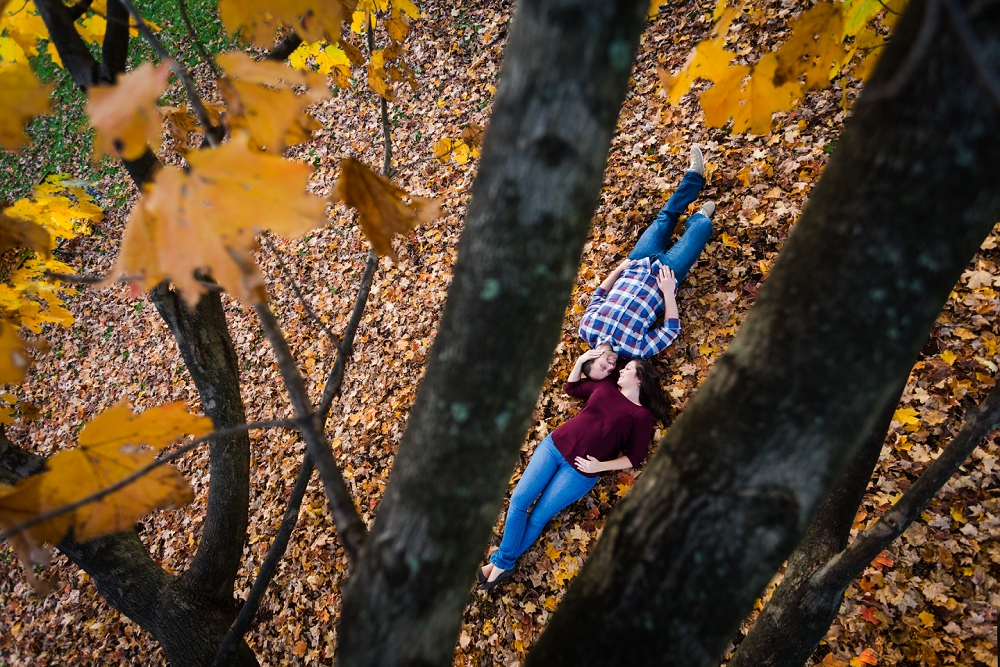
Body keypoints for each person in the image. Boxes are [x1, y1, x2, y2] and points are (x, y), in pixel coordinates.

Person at [477, 348, 670, 590]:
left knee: (538, 517)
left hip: (579, 472)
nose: (621, 370)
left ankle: (499, 564)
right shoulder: (607, 386)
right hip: (554, 446)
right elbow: (573, 388)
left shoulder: (641, 416)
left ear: (639, 379)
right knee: (518, 501)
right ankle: (503, 563)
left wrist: (601, 466)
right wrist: (580, 360)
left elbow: (635, 457)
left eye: (628, 368)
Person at [579, 145, 715, 359]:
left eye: (602, 367)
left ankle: (694, 176)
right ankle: (696, 219)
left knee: (665, 217)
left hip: (636, 263)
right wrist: (668, 292)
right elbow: (670, 330)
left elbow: (600, 294)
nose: (610, 365)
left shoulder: (587, 329)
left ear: (590, 359)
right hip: (666, 275)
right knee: (703, 227)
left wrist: (621, 267)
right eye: (610, 371)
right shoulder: (635, 351)